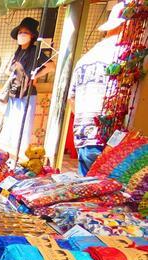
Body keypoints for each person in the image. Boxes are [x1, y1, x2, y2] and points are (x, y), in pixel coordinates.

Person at [69, 2, 126, 175]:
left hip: (85, 134)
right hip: (109, 139)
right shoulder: (124, 55)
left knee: (86, 191)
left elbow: (72, 99)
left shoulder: (86, 57)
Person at [0, 17, 55, 156]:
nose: (21, 35)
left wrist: (35, 76)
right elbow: (8, 70)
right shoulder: (18, 51)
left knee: (23, 128)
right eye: (20, 32)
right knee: (11, 126)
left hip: (27, 94)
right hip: (14, 93)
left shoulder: (35, 51)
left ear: (32, 36)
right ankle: (10, 156)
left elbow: (51, 66)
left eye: (25, 33)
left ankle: (20, 156)